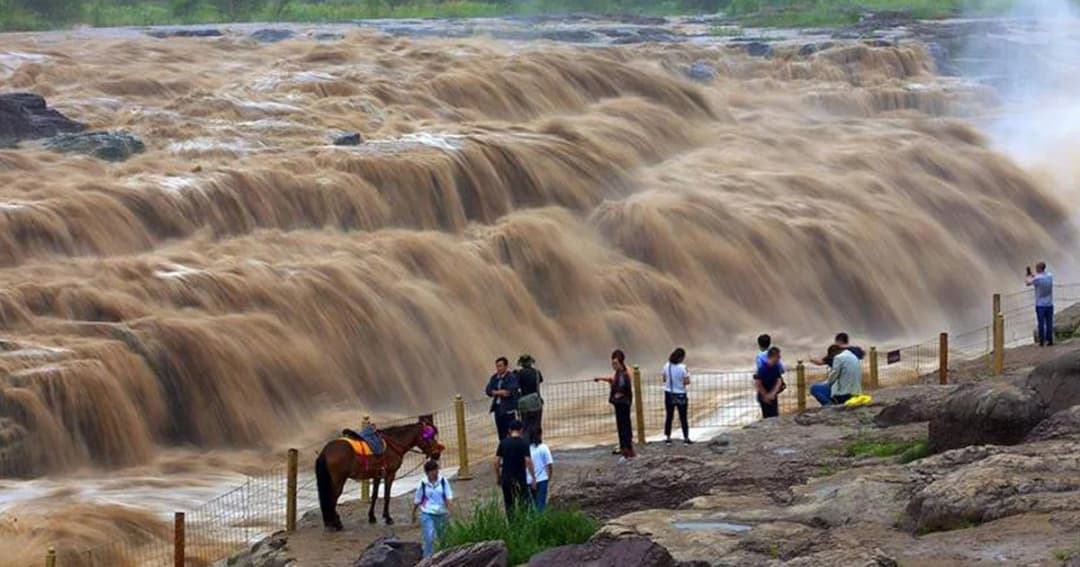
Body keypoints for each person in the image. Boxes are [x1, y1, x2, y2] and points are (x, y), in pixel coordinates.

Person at [594, 349, 635, 462]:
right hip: (621, 403)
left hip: (622, 403)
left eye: (615, 363)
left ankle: (627, 451)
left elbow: (623, 388)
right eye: (612, 363)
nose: (613, 366)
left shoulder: (624, 374)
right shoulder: (619, 373)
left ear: (621, 363)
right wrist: (601, 379)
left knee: (624, 428)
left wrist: (617, 395)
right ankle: (626, 450)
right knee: (623, 426)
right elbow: (612, 380)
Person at [494, 420, 537, 516]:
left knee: (509, 504)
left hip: (506, 478)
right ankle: (522, 524)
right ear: (521, 430)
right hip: (520, 478)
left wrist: (498, 476)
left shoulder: (503, 443)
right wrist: (533, 477)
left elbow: (496, 461)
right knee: (522, 502)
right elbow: (528, 461)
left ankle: (512, 525)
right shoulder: (524, 443)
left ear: (509, 430)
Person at [413, 460, 453, 559]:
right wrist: (413, 513)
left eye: (436, 470)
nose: (435, 473)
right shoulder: (423, 483)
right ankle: (427, 559)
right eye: (432, 471)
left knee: (443, 538)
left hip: (442, 513)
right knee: (429, 537)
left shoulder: (443, 481)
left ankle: (445, 557)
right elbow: (417, 499)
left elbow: (449, 496)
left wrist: (450, 510)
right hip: (427, 513)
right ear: (427, 473)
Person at [662, 347, 692, 444]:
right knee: (683, 417)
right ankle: (686, 438)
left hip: (668, 394)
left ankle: (667, 438)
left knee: (669, 416)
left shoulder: (666, 366)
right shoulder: (683, 367)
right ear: (681, 358)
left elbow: (664, 379)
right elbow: (687, 381)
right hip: (680, 394)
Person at [486, 357, 520, 440]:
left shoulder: (511, 377)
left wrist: (496, 392)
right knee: (500, 432)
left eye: (500, 366)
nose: (498, 368)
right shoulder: (494, 377)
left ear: (506, 366)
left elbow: (509, 392)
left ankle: (512, 449)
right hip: (498, 408)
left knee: (511, 431)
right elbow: (488, 390)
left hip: (508, 409)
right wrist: (500, 392)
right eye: (497, 366)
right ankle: (503, 449)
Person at [516, 354, 544, 442]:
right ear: (531, 362)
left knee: (525, 426)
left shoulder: (519, 374)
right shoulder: (537, 372)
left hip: (524, 404)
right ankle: (538, 443)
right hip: (536, 402)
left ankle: (527, 447)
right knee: (537, 425)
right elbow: (541, 380)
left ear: (521, 363)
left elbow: (516, 386)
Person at [1026, 262, 1054, 346]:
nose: (1036, 270)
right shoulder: (1050, 275)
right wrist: (1032, 275)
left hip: (1040, 304)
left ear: (1039, 269)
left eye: (1036, 268)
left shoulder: (1037, 279)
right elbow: (1039, 276)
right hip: (1049, 303)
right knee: (1049, 323)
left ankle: (1041, 341)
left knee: (1041, 323)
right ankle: (1050, 340)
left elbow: (1027, 283)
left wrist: (1028, 275)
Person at [526, 429, 553, 512]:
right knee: (541, 504)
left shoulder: (527, 449)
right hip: (542, 479)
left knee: (531, 503)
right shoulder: (544, 447)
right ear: (540, 435)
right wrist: (549, 476)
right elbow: (549, 464)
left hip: (529, 480)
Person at [754, 346, 784, 418]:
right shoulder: (763, 368)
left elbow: (779, 381)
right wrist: (765, 395)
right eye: (778, 356)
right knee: (767, 417)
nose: (780, 357)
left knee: (775, 416)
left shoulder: (776, 367)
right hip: (764, 396)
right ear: (773, 356)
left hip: (772, 395)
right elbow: (758, 383)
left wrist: (772, 393)